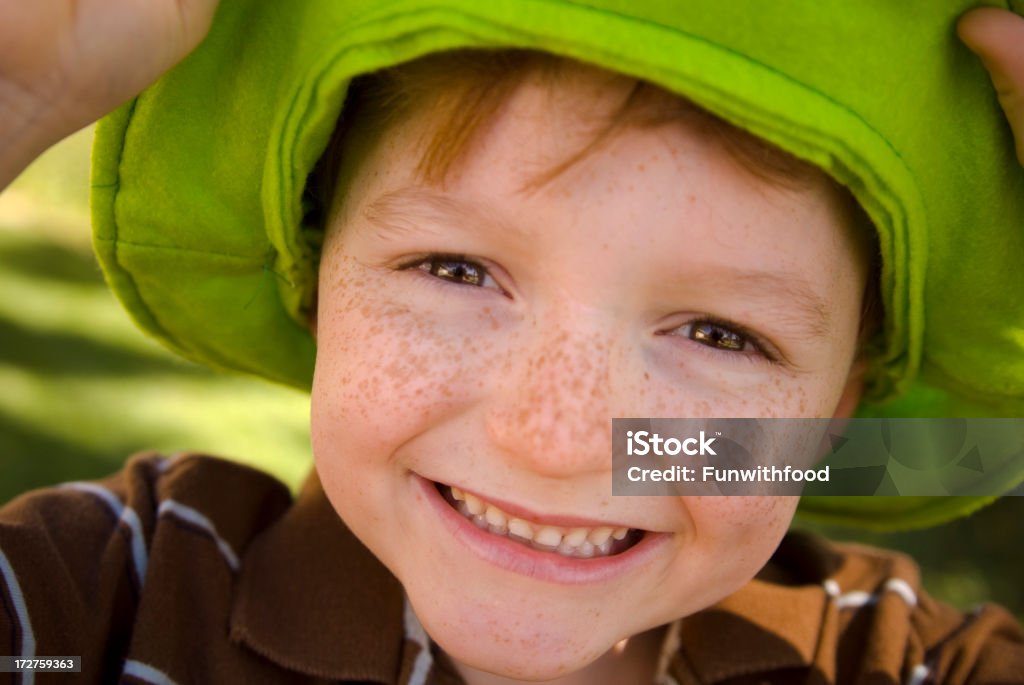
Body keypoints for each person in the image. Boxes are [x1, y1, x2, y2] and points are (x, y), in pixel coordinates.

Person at [1, 2, 1023, 684]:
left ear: (833, 412)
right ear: (315, 278)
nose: (558, 437)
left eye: (722, 334)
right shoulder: (104, 603)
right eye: (454, 270)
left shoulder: (909, 665)